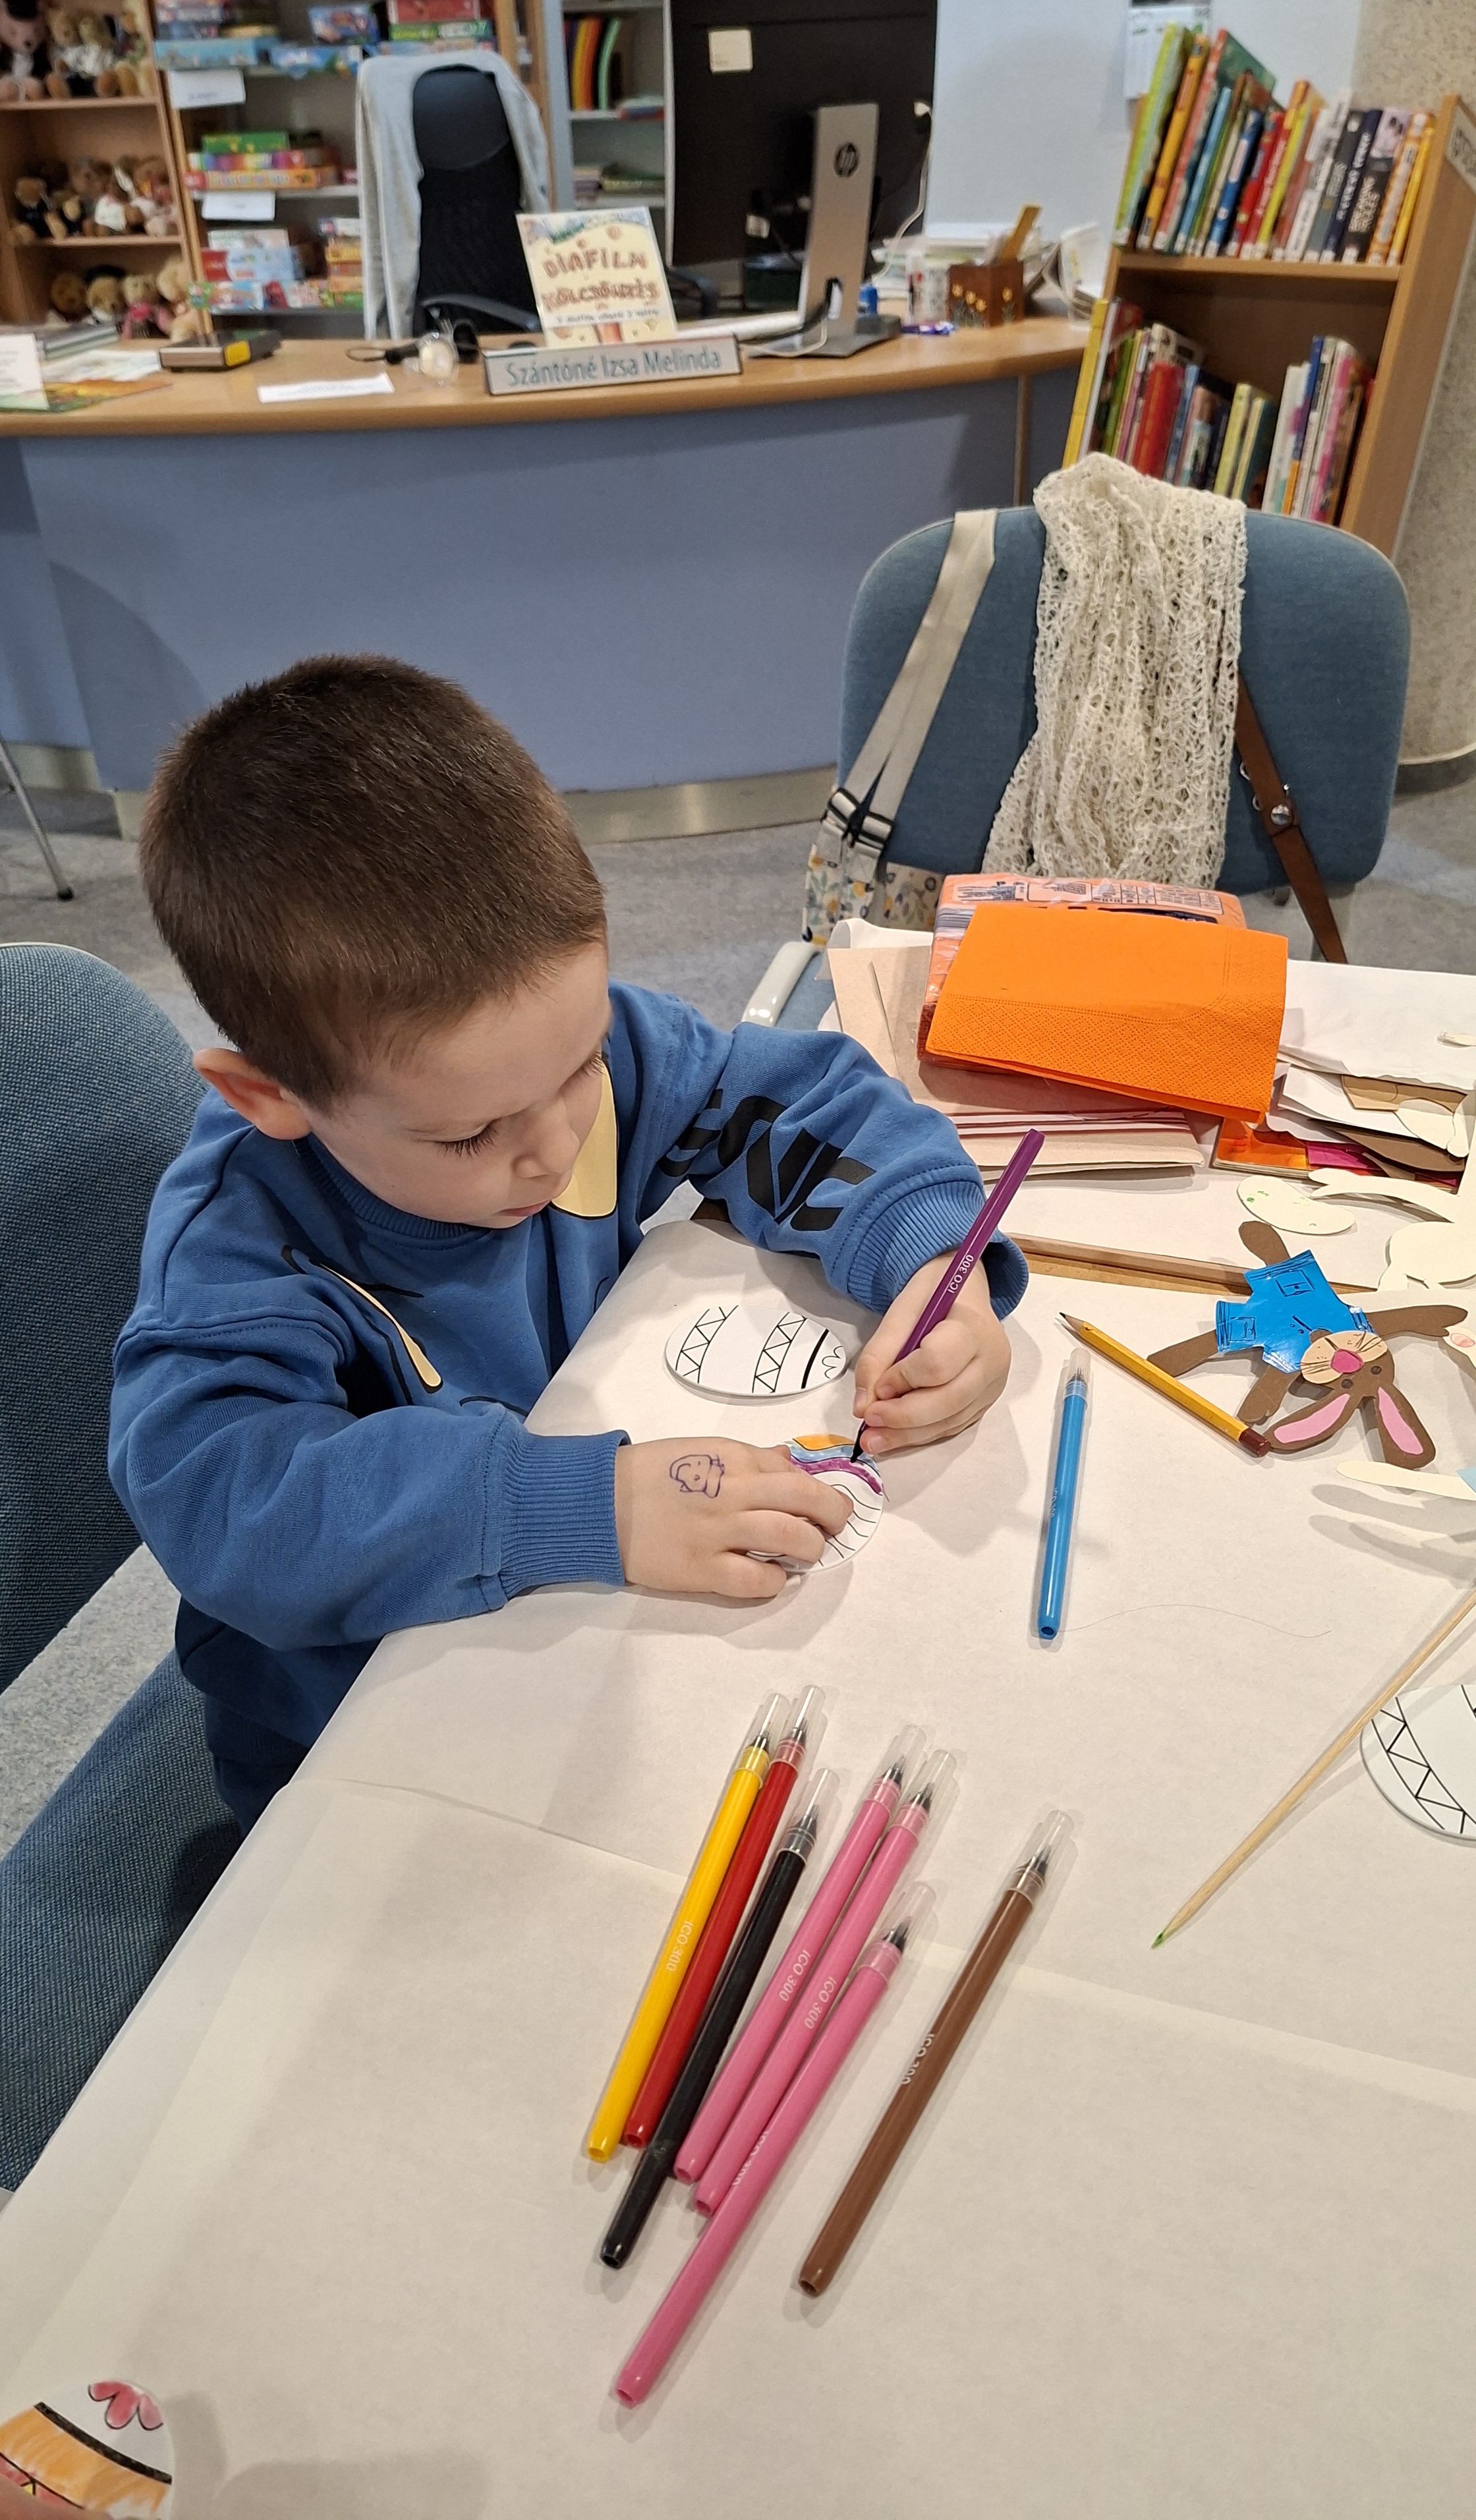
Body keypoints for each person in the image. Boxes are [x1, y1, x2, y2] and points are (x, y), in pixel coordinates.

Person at [109, 657, 1025, 1831]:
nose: (556, 1146)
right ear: (269, 1097)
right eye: (471, 1134)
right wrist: (582, 1505)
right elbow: (237, 1511)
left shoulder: (554, 1064)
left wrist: (934, 1264)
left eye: (581, 1061)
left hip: (580, 1646)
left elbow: (798, 1106)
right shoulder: (239, 1255)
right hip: (359, 1752)